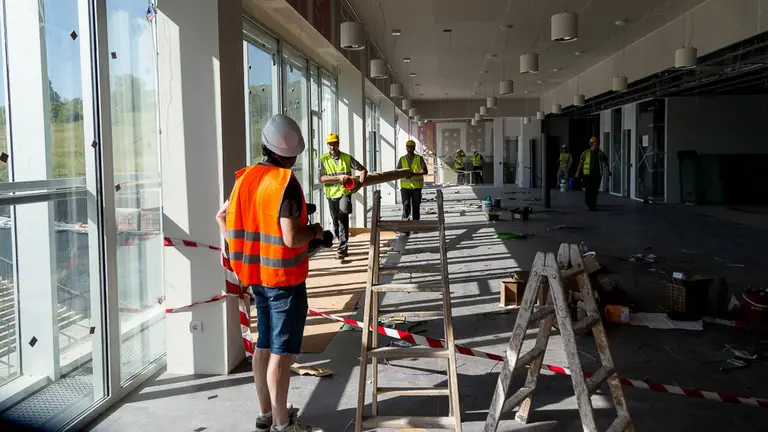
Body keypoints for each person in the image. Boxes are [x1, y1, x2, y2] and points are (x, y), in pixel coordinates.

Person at [216, 114, 321, 432]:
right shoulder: (284, 183)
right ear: (292, 153)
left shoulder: (245, 178)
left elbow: (221, 217)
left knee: (263, 346)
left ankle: (266, 414)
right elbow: (291, 238)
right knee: (281, 353)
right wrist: (314, 231)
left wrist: (240, 254)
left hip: (255, 277)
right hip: (283, 282)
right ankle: (282, 424)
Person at [318, 132, 367, 259]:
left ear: (338, 144)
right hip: (331, 195)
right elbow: (322, 178)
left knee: (343, 217)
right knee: (335, 221)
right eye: (329, 144)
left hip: (344, 194)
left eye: (334, 144)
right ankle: (340, 241)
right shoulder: (323, 160)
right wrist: (338, 177)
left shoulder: (347, 158)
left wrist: (359, 185)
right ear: (327, 145)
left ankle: (342, 248)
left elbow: (363, 170)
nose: (332, 147)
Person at [397, 140, 428, 232]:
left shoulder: (419, 158)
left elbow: (425, 171)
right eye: (408, 146)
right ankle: (406, 227)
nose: (409, 148)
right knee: (406, 205)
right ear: (406, 148)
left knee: (416, 205)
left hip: (416, 187)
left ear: (414, 148)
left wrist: (414, 173)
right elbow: (398, 172)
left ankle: (415, 226)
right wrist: (404, 174)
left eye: (411, 146)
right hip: (405, 187)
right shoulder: (402, 159)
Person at [575, 136, 611, 211]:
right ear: (591, 144)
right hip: (588, 175)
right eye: (595, 144)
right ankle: (589, 204)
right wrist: (577, 173)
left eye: (597, 144)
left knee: (595, 190)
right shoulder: (586, 153)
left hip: (597, 175)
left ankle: (593, 205)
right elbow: (580, 164)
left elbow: (605, 161)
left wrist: (608, 171)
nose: (597, 145)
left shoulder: (600, 153)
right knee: (588, 190)